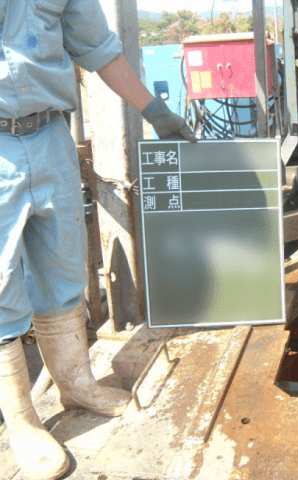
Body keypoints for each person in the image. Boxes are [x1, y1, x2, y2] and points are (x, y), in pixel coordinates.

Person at [0, 1, 195, 479]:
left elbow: (99, 46)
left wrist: (155, 110)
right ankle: (22, 421)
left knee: (65, 268)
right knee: (1, 286)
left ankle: (76, 383)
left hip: (50, 134)